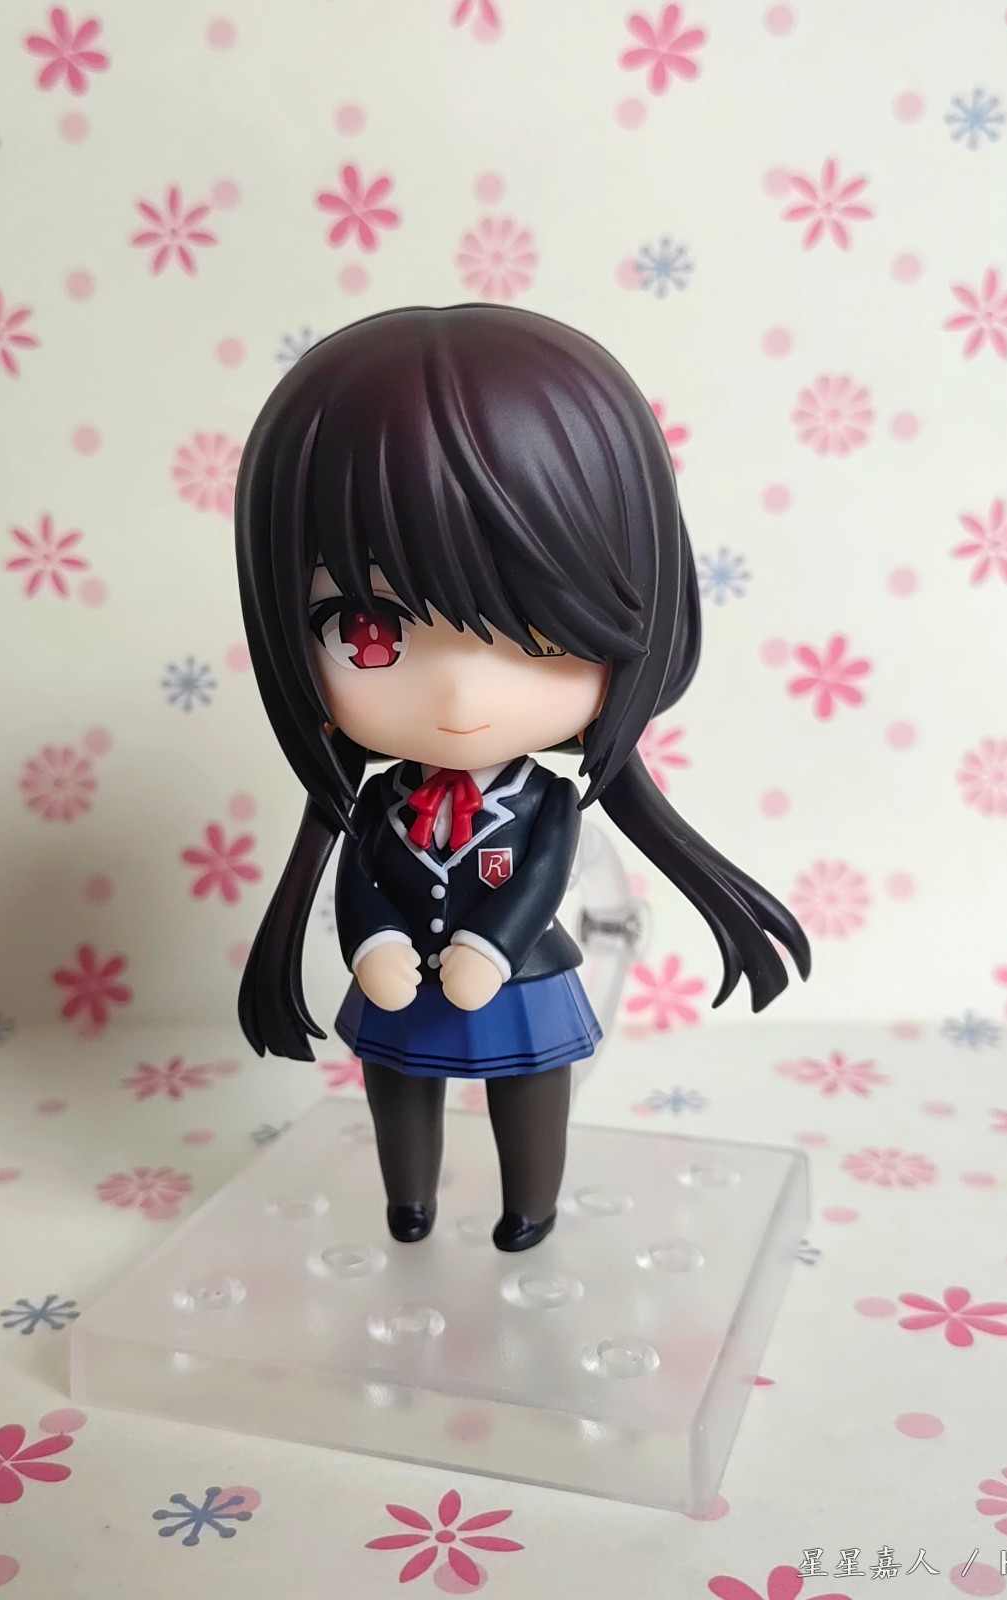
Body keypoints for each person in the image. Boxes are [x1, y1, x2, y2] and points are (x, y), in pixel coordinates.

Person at [234, 303, 810, 1252]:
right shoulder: (377, 800)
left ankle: (529, 1206)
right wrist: (371, 944)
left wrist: (492, 947)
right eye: (369, 629)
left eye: (537, 634)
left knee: (532, 1091)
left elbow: (542, 879)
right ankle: (409, 1204)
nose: (460, 692)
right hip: (404, 982)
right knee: (398, 1087)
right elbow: (361, 878)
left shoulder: (547, 802)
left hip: (515, 975)